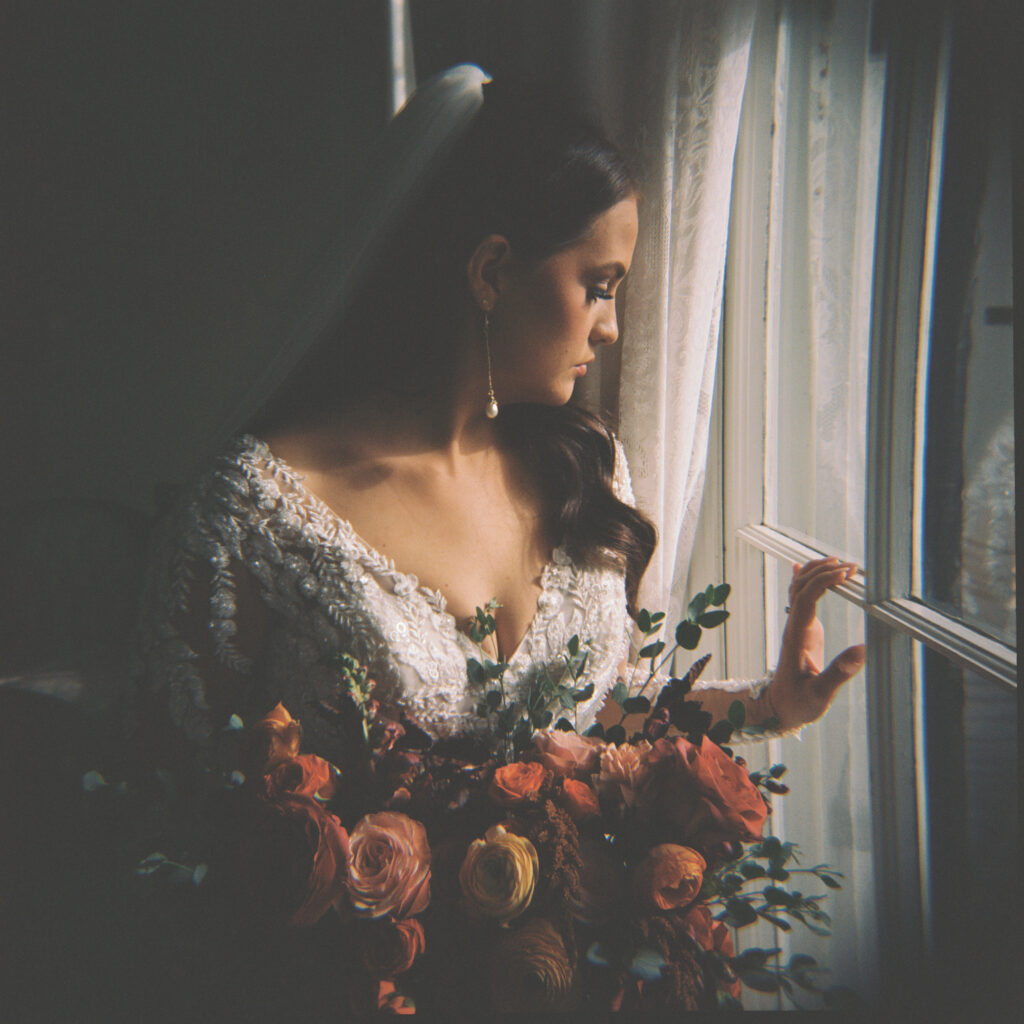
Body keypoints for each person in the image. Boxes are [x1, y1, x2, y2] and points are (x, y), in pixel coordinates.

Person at [128, 66, 865, 776]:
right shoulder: (253, 510)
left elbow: (594, 715)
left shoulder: (586, 464)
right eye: (599, 287)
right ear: (491, 272)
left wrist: (769, 705)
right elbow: (184, 808)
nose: (609, 329)